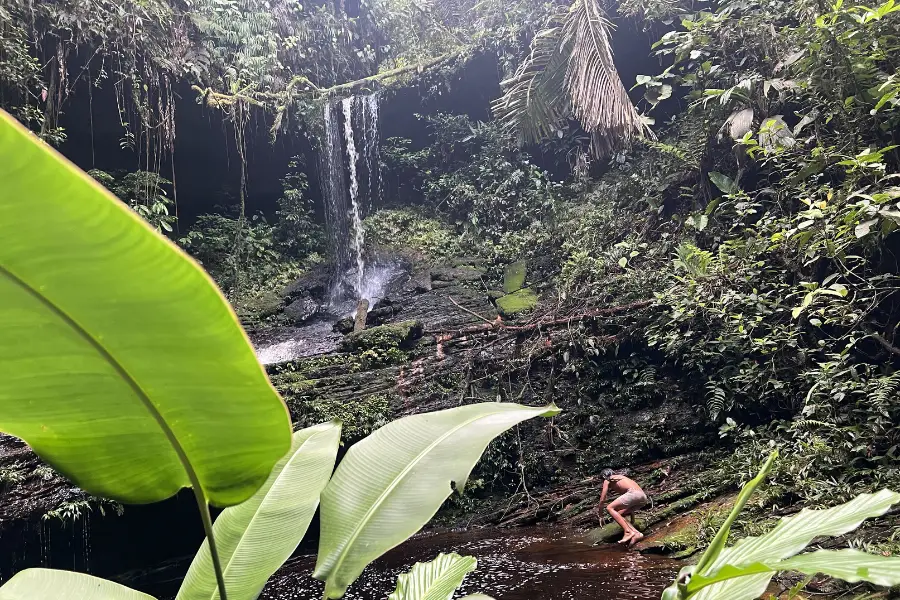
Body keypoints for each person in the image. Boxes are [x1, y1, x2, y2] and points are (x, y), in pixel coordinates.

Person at [596, 468, 648, 546]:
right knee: (618, 514)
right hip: (643, 497)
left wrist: (600, 515)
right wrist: (632, 517)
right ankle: (637, 534)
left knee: (609, 508)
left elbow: (602, 499)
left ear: (604, 476)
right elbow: (630, 501)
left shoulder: (608, 479)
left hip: (633, 494)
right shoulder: (621, 477)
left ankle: (628, 531)